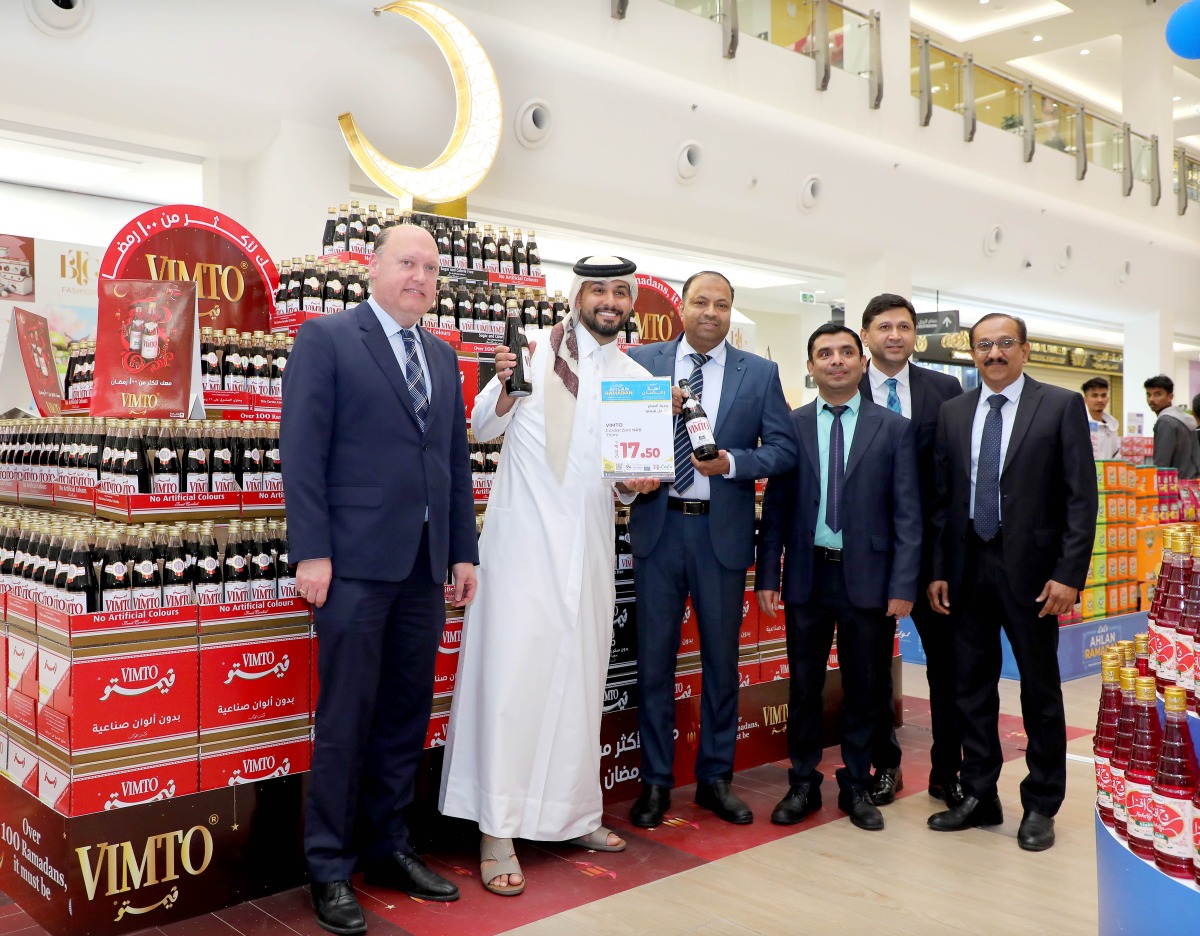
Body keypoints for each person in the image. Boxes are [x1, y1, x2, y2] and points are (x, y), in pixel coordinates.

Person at [439, 256, 660, 897]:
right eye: (599, 290)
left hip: (587, 552)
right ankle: (497, 828)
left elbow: (624, 482)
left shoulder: (635, 379)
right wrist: (503, 385)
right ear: (578, 296)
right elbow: (480, 428)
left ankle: (571, 815)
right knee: (511, 682)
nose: (610, 300)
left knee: (580, 682)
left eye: (621, 291)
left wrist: (638, 483)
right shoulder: (528, 354)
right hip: (520, 549)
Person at [282, 223, 479, 935]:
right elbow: (301, 452)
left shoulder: (441, 352)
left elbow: (452, 461)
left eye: (429, 267)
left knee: (404, 716)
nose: (419, 276)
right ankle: (330, 866)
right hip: (353, 567)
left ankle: (390, 846)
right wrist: (313, 551)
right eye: (406, 262)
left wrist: (463, 551)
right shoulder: (327, 339)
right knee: (346, 719)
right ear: (372, 267)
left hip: (425, 568)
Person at [625, 271, 797, 828]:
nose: (711, 313)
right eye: (701, 302)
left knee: (722, 663)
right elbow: (614, 435)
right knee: (654, 662)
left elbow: (783, 451)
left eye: (722, 305)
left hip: (719, 534)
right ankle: (654, 782)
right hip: (657, 526)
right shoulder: (641, 362)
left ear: (730, 313)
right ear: (682, 308)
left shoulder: (761, 374)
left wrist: (732, 463)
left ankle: (715, 778)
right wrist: (627, 478)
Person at [926, 313, 1096, 852]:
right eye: (983, 346)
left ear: (1024, 349)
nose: (993, 354)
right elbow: (941, 501)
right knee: (969, 687)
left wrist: (1069, 573)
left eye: (1004, 344)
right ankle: (979, 793)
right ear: (971, 353)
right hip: (966, 569)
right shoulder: (953, 411)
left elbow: (1079, 497)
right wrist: (936, 569)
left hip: (1033, 574)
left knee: (1039, 689)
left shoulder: (1060, 405)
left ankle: (1041, 803)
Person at [757, 323, 920, 832]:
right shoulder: (792, 425)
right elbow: (777, 509)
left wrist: (903, 585)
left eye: (846, 352)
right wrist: (767, 575)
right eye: (824, 354)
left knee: (865, 688)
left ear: (862, 362)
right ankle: (803, 781)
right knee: (804, 687)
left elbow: (907, 515)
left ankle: (856, 782)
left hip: (869, 580)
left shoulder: (891, 428)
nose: (836, 361)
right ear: (810, 367)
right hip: (807, 576)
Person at [857, 294, 964, 809]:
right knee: (873, 670)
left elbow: (952, 482)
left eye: (903, 326)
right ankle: (885, 766)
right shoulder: (845, 385)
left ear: (915, 334)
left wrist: (942, 561)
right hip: (866, 557)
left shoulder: (943, 389)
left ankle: (948, 771)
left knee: (947, 670)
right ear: (866, 334)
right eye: (884, 326)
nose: (894, 335)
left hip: (931, 561)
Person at [1144, 374, 1200, 479]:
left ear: (1170, 397)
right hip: (1192, 485)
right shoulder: (1184, 420)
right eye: (1148, 395)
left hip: (1175, 486)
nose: (1151, 399)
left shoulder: (1166, 421)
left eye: (1157, 394)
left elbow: (1161, 463)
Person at [1082, 376, 1120, 460]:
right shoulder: (1079, 424)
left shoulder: (1112, 427)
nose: (1100, 400)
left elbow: (1115, 456)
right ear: (1085, 399)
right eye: (1095, 396)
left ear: (1107, 399)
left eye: (1103, 395)